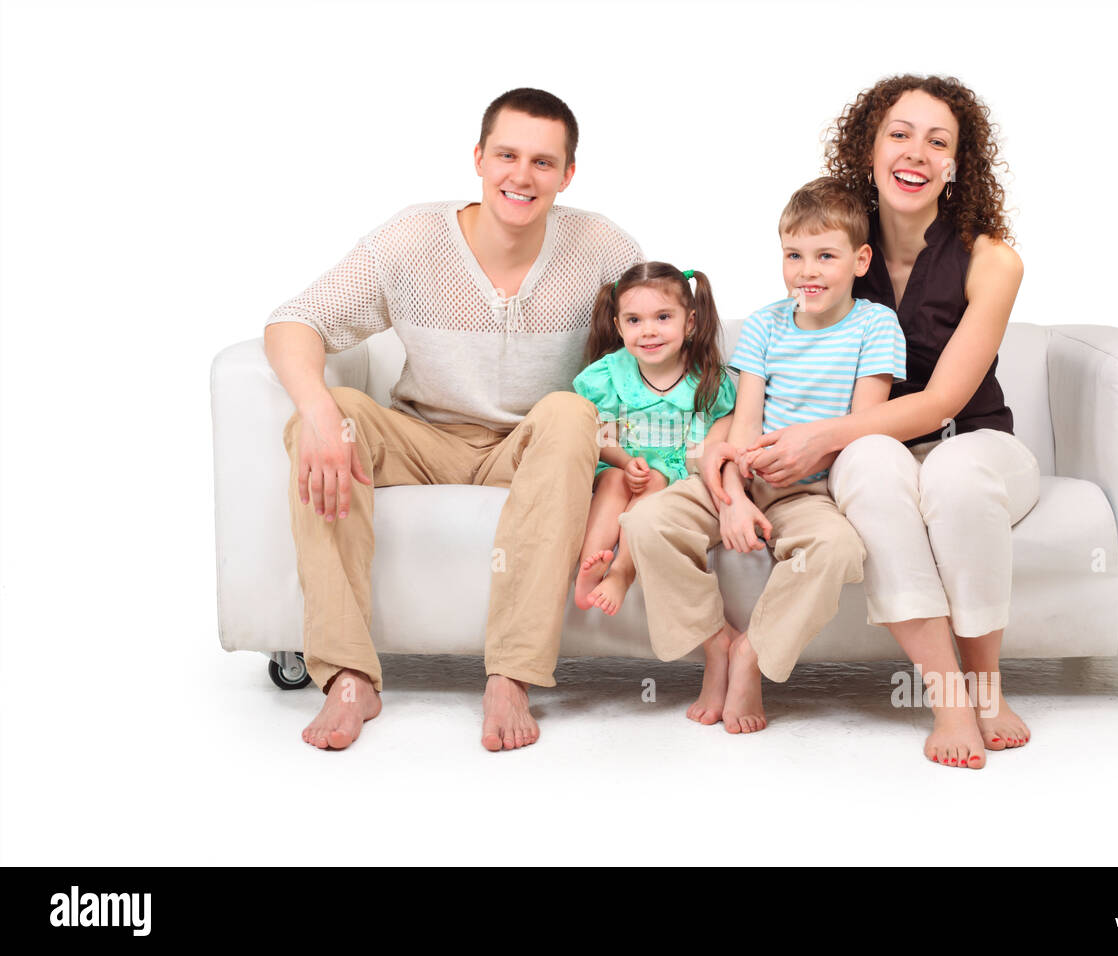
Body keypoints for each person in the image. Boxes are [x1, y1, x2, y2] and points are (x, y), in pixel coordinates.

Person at [263, 87, 642, 752]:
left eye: (543, 163)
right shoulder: (413, 238)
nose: (520, 176)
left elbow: (662, 339)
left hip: (530, 447)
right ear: (478, 157)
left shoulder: (602, 245)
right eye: (506, 155)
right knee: (331, 418)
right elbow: (296, 319)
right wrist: (320, 409)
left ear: (568, 174)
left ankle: (512, 676)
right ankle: (348, 676)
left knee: (568, 412)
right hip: (424, 437)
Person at [711, 75, 1039, 770]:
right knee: (869, 465)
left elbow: (944, 401)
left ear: (957, 164)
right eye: (899, 134)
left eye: (937, 140)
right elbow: (777, 355)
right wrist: (728, 444)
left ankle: (987, 685)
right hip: (870, 445)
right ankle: (948, 695)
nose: (916, 152)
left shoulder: (992, 259)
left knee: (950, 475)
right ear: (870, 148)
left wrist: (816, 439)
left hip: (974, 441)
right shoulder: (835, 251)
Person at [621, 178, 906, 734]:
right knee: (647, 521)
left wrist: (802, 458)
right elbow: (743, 425)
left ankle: (753, 654)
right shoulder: (764, 324)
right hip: (742, 477)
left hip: (810, 489)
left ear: (860, 259)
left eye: (826, 255)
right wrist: (730, 499)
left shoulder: (875, 325)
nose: (808, 271)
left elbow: (862, 425)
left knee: (837, 548)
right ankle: (718, 647)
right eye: (794, 255)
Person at [571, 263, 736, 616]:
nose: (648, 331)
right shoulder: (609, 375)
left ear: (689, 322)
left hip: (671, 471)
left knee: (654, 479)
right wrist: (623, 462)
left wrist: (698, 460)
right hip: (618, 461)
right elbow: (599, 434)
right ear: (618, 325)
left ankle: (621, 572)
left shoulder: (704, 377)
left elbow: (719, 426)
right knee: (615, 481)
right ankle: (590, 564)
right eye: (634, 321)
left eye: (663, 317)